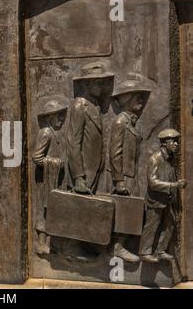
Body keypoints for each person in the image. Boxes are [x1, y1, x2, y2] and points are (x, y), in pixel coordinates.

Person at [109, 77, 151, 262]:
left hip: (131, 174)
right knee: (124, 210)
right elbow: (114, 153)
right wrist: (119, 180)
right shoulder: (120, 122)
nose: (141, 102)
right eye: (137, 98)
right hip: (123, 175)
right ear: (127, 100)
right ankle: (118, 247)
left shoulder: (132, 122)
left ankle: (121, 245)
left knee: (131, 209)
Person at [139, 129, 187, 263]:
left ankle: (160, 250)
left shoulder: (170, 159)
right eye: (174, 142)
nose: (176, 144)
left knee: (170, 224)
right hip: (155, 200)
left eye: (177, 142)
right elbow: (152, 182)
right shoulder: (155, 159)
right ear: (165, 143)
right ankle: (144, 252)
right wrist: (173, 185)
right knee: (152, 226)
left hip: (167, 200)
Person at [67, 61, 114, 194]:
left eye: (102, 82)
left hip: (95, 167)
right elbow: (73, 143)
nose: (102, 86)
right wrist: (78, 177)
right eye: (97, 83)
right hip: (85, 172)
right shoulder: (79, 106)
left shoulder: (95, 104)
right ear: (87, 84)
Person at [32, 95, 68, 255]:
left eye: (62, 115)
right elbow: (37, 157)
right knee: (44, 209)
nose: (62, 119)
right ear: (50, 117)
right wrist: (54, 163)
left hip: (55, 179)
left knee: (53, 209)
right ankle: (41, 243)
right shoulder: (46, 132)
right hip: (46, 179)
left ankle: (52, 242)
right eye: (58, 115)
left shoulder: (56, 132)